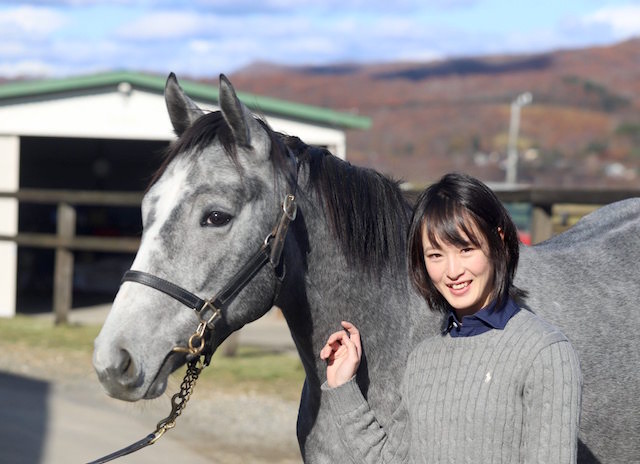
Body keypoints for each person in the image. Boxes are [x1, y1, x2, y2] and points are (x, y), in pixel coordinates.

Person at [320, 172, 582, 463]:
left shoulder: (545, 353)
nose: (452, 270)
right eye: (435, 255)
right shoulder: (423, 359)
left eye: (466, 249)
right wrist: (343, 387)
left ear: (500, 242)